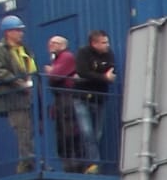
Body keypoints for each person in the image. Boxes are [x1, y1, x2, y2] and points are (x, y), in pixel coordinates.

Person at [0, 15, 37, 173]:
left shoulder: (24, 48)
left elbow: (30, 66)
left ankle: (29, 160)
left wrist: (30, 81)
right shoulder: (0, 50)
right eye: (17, 30)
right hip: (12, 98)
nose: (21, 33)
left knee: (29, 129)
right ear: (8, 32)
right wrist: (18, 83)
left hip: (27, 96)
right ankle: (26, 163)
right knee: (22, 129)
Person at [71, 30, 115, 172]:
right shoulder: (83, 53)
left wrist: (95, 73)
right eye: (103, 42)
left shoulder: (109, 54)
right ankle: (94, 164)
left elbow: (111, 70)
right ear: (94, 43)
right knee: (87, 132)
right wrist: (102, 76)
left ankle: (89, 162)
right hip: (81, 98)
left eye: (107, 42)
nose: (107, 45)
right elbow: (82, 71)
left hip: (99, 98)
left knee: (97, 133)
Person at [44, 35, 83, 171]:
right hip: (60, 100)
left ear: (63, 45)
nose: (51, 46)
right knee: (62, 132)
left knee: (70, 131)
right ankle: (68, 163)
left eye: (54, 43)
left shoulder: (66, 57)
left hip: (67, 99)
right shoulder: (56, 59)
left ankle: (75, 164)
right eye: (50, 44)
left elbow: (55, 76)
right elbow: (53, 79)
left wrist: (50, 71)